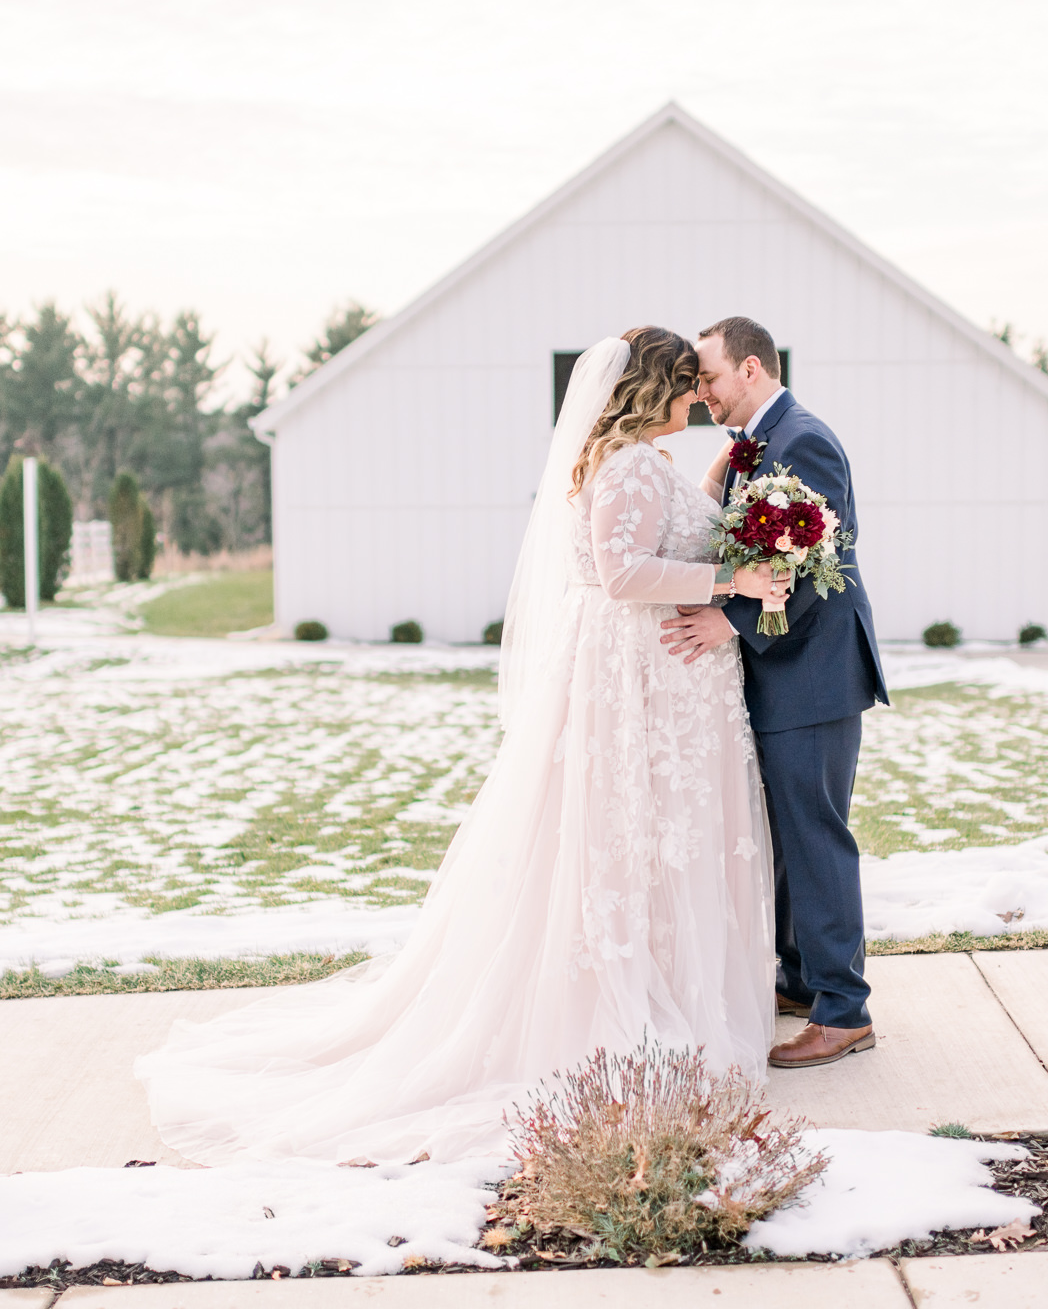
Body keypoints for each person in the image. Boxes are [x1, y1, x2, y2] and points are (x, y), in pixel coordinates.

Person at [136, 328, 786, 1163]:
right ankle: (632, 1005)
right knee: (621, 842)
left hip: (659, 687)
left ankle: (675, 985)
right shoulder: (624, 466)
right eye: (687, 384)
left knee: (651, 843)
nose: (699, 396)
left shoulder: (646, 463)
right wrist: (734, 578)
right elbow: (623, 575)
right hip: (632, 683)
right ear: (653, 390)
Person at [660, 316, 888, 1070]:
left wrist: (731, 624)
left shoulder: (803, 440)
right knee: (788, 840)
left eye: (710, 378)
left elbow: (818, 571)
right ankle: (801, 978)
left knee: (817, 839)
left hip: (815, 675)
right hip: (784, 677)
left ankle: (843, 1010)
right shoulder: (756, 445)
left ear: (750, 368)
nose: (702, 393)